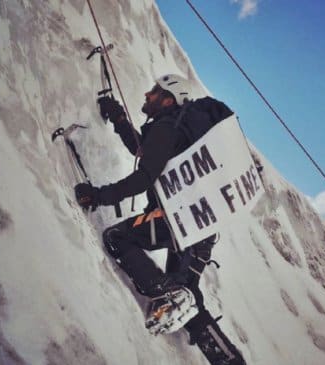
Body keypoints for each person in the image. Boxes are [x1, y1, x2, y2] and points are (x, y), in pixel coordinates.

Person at [74, 74, 245, 364]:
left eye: (154, 92)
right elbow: (147, 152)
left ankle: (166, 292)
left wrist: (98, 195)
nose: (146, 95)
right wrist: (118, 119)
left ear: (168, 99)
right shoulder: (179, 131)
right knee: (186, 299)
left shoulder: (167, 128)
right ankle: (229, 361)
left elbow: (144, 176)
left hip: (172, 221)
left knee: (117, 237)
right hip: (200, 227)